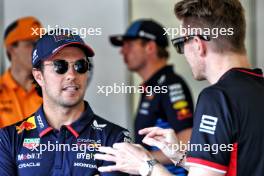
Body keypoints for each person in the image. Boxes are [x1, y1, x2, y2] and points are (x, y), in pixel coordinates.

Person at [94, 0, 264, 176]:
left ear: (198, 44)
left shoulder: (217, 98)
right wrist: (179, 157)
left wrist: (146, 164)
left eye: (181, 43)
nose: (183, 52)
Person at [0, 29, 131, 176]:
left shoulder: (115, 138)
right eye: (59, 66)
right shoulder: (8, 138)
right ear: (39, 76)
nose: (71, 75)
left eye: (80, 65)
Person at [109, 19, 194, 175]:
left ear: (150, 47)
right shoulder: (152, 86)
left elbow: (186, 144)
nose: (122, 51)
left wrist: (141, 160)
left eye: (129, 45)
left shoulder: (171, 84)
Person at [0, 16, 43, 128]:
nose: (38, 50)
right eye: (32, 44)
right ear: (11, 48)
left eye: (40, 44)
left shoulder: (50, 89)